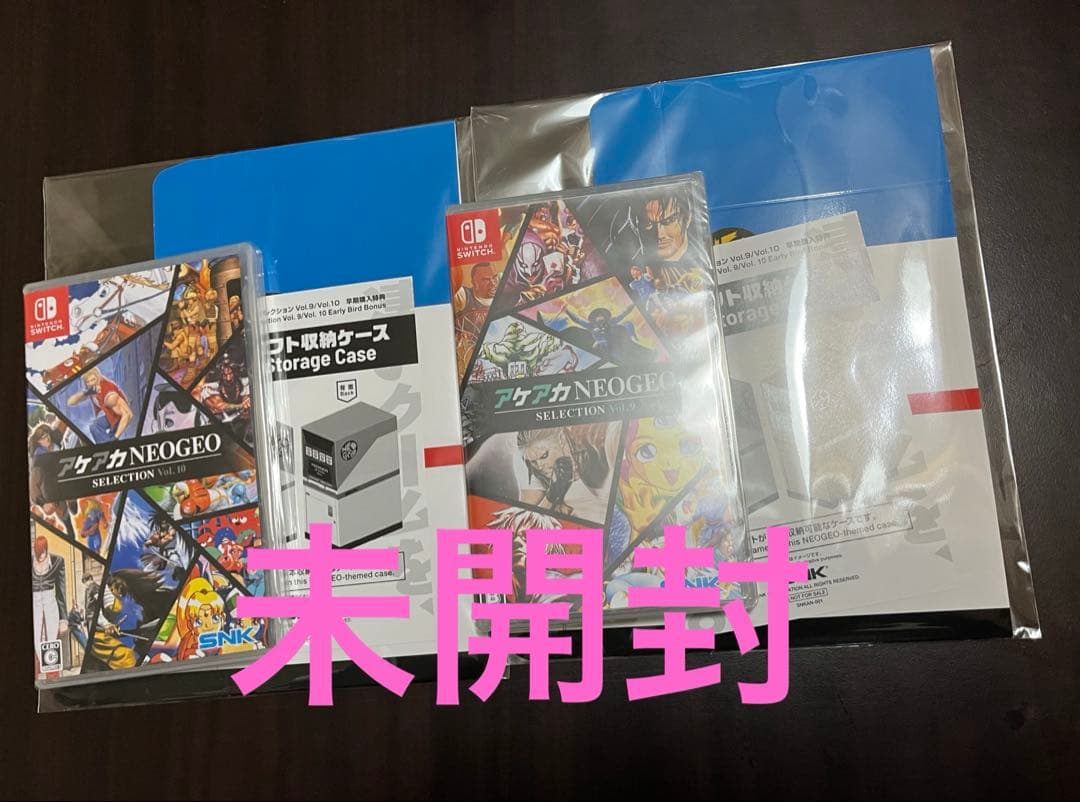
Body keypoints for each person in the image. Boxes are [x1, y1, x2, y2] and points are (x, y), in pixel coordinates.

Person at [66, 366, 133, 442]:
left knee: (99, 430)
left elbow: (128, 414)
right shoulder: (92, 391)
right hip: (110, 417)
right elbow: (70, 402)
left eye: (93, 380)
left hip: (118, 420)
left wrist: (115, 437)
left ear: (98, 378)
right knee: (94, 427)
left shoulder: (109, 394)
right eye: (88, 382)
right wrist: (86, 392)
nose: (91, 383)